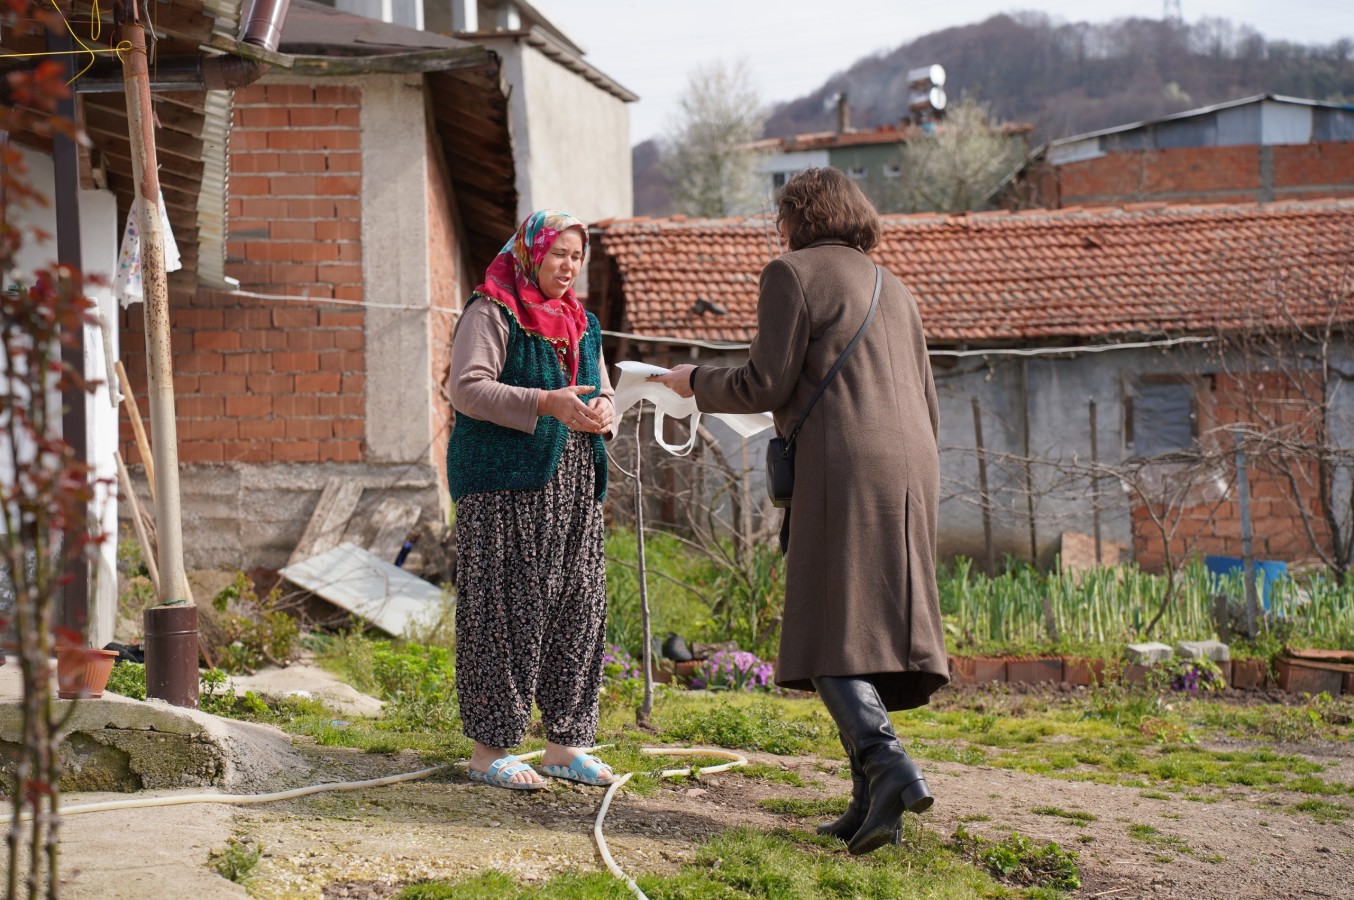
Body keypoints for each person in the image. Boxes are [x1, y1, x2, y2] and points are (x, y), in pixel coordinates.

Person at [648, 168, 949, 854]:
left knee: (824, 623)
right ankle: (871, 806)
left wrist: (691, 383)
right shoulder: (894, 288)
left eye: (779, 216)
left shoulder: (791, 274)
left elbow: (765, 381)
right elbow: (929, 399)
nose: (776, 229)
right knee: (867, 625)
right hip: (914, 464)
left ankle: (889, 765)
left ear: (799, 217)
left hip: (844, 460)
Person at [446, 210, 617, 790]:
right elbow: (466, 389)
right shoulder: (491, 310)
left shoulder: (582, 322)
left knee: (579, 607)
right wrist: (547, 403)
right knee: (506, 610)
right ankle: (488, 750)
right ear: (530, 255)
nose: (567, 267)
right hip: (504, 485)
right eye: (557, 255)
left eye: (576, 257)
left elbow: (599, 389)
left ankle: (565, 746)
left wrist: (604, 411)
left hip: (572, 484)